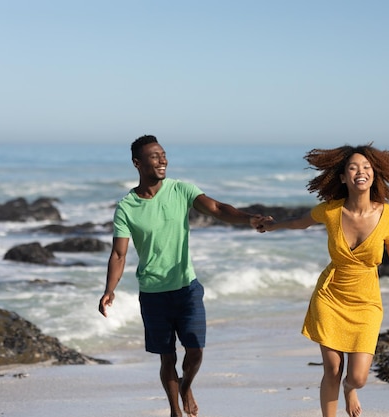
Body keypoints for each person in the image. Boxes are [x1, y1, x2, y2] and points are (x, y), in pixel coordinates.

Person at [257, 143, 389, 417]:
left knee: (357, 377)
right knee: (332, 370)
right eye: (353, 167)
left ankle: (350, 389)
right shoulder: (331, 211)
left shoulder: (388, 215)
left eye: (367, 167)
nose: (361, 172)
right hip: (330, 297)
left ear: (374, 175)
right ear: (344, 177)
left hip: (367, 301)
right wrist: (272, 225)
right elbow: (300, 221)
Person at [98, 135, 269, 417]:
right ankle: (175, 410)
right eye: (154, 156)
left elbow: (217, 208)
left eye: (163, 154)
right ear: (137, 163)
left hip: (186, 287)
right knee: (167, 357)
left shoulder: (181, 190)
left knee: (196, 349)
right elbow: (119, 254)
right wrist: (109, 289)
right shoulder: (127, 207)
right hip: (153, 293)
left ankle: (187, 385)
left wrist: (247, 217)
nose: (162, 160)